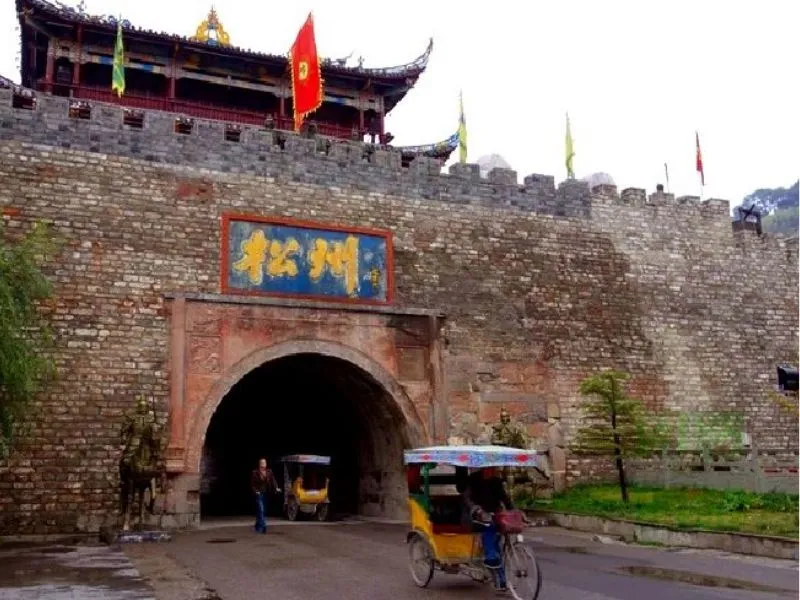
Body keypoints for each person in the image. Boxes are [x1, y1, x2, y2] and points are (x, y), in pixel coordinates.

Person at [462, 467, 515, 593]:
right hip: (475, 517)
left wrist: (514, 511)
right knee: (490, 532)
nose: (492, 470)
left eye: (493, 468)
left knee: (498, 542)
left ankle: (501, 581)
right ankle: (491, 559)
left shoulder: (496, 481)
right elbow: (467, 499)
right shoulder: (473, 480)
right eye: (490, 468)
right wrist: (477, 509)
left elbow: (505, 499)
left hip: (494, 516)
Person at [250, 458, 280, 534]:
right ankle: (263, 527)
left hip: (266, 493)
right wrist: (256, 491)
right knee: (261, 510)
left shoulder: (269, 471)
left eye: (265, 463)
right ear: (259, 464)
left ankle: (257, 526)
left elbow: (273, 480)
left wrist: (276, 488)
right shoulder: (255, 472)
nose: (264, 464)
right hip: (259, 494)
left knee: (262, 511)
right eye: (262, 463)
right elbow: (252, 484)